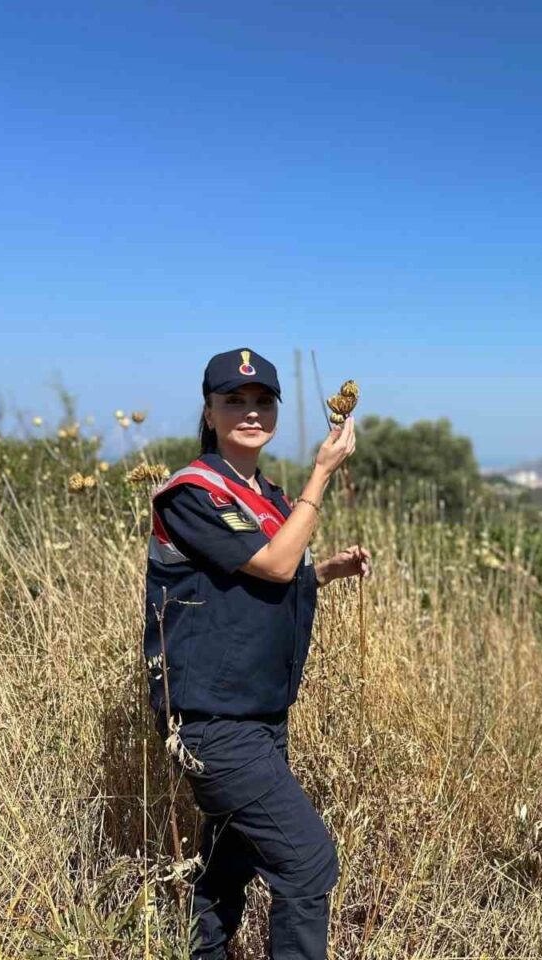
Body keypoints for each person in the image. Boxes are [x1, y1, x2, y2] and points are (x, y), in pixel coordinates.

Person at [143, 347, 371, 960]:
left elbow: (260, 580)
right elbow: (272, 563)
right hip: (213, 718)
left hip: (258, 710)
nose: (250, 412)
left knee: (231, 859)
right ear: (209, 413)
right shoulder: (193, 493)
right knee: (307, 862)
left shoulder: (266, 495)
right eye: (233, 401)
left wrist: (325, 571)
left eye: (262, 401)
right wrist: (322, 475)